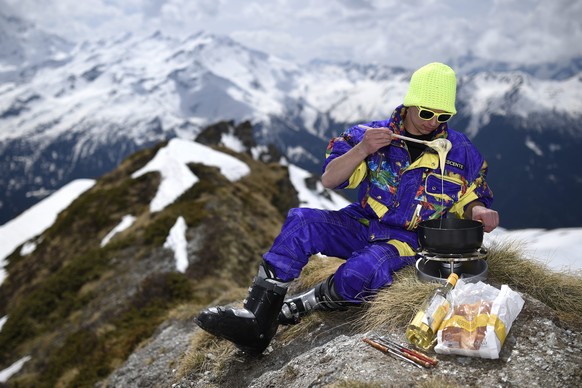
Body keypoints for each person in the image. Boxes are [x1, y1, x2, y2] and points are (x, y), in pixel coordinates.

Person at [195, 62, 499, 355]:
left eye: (443, 116)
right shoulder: (368, 135)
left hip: (408, 241)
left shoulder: (462, 152)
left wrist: (477, 211)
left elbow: (472, 196)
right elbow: (330, 178)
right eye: (427, 112)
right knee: (302, 222)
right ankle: (257, 319)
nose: (433, 122)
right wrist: (364, 149)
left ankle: (301, 305)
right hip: (363, 222)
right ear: (410, 104)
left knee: (363, 271)